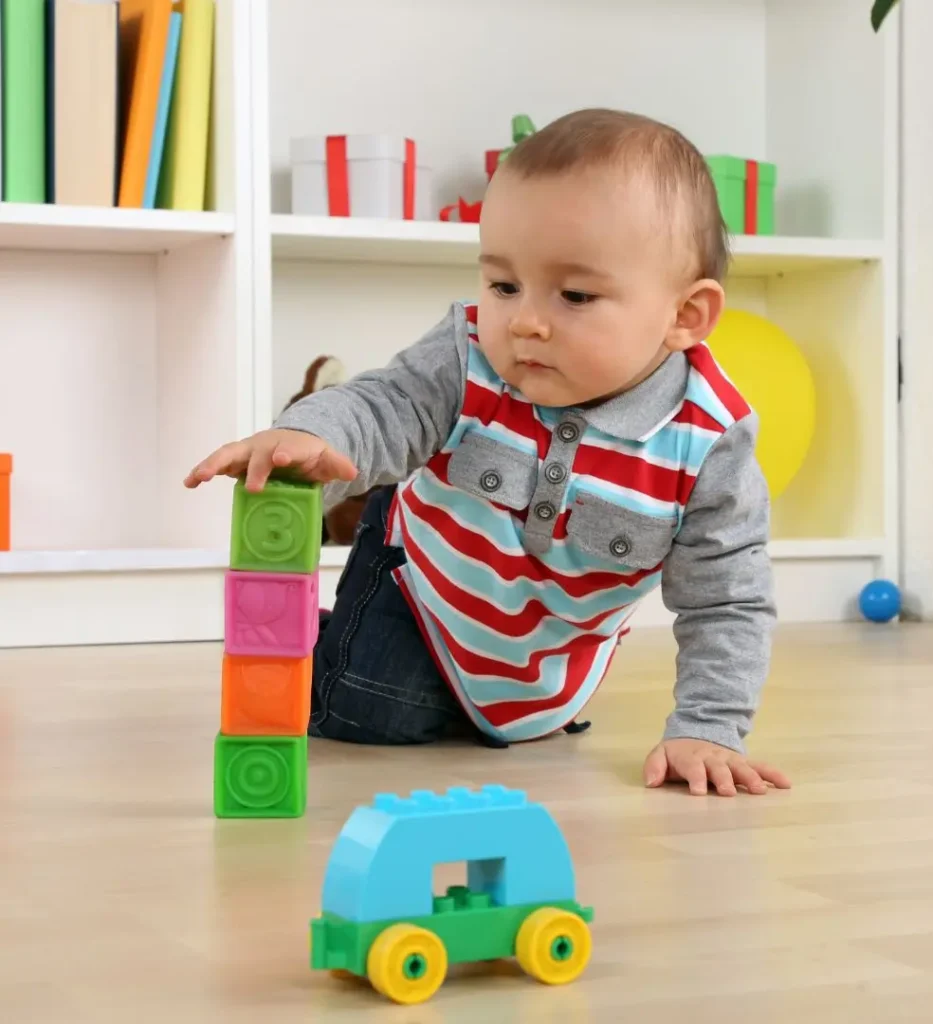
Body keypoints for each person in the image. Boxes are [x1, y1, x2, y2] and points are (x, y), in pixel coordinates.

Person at [185, 109, 791, 798]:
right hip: (422, 579)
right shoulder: (469, 354)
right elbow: (388, 402)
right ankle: (333, 639)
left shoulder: (710, 440)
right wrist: (315, 436)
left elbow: (728, 600)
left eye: (575, 295)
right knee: (368, 708)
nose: (525, 321)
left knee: (509, 730)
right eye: (504, 286)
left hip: (545, 654)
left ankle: (494, 697)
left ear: (685, 316)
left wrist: (708, 727)